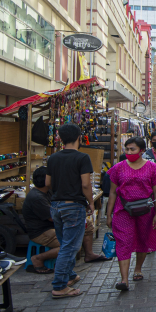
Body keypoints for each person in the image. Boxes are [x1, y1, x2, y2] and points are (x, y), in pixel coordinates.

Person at [105, 137, 156, 291]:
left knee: (143, 239)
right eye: (127, 149)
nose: (129, 152)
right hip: (123, 209)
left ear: (142, 151)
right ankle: (124, 279)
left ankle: (138, 268)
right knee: (123, 241)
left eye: (133, 149)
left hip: (146, 210)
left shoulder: (153, 168)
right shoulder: (118, 168)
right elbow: (112, 192)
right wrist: (108, 214)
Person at [24, 167, 108, 274]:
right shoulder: (36, 197)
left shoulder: (48, 191)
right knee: (72, 246)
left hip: (53, 226)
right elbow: (52, 218)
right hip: (42, 231)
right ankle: (38, 258)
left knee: (87, 224)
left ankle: (89, 254)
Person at [45, 124, 96, 299]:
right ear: (79, 138)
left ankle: (70, 275)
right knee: (69, 247)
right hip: (73, 206)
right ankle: (59, 286)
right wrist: (91, 202)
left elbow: (47, 183)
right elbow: (85, 184)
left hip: (56, 206)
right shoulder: (82, 157)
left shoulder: (53, 158)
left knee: (64, 243)